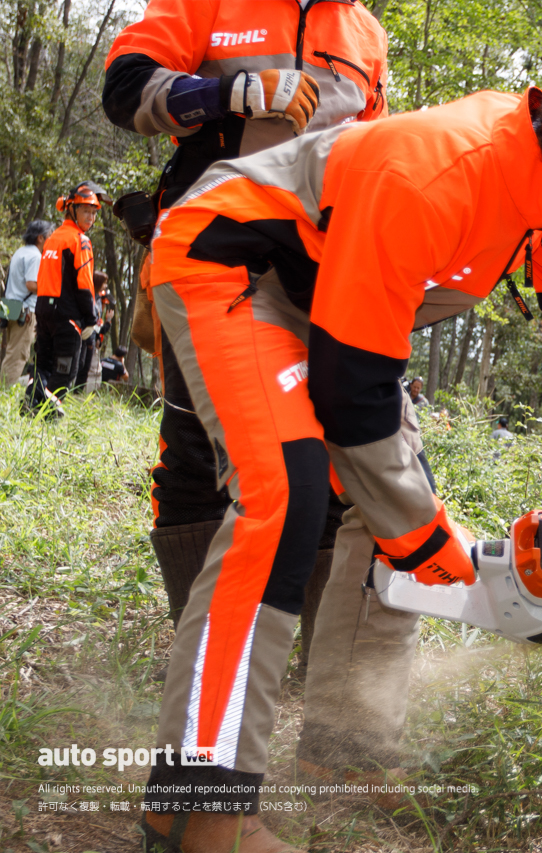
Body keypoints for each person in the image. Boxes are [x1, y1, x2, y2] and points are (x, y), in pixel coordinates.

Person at [136, 57, 542, 852]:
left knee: (393, 503)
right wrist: (422, 534)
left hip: (326, 295)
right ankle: (194, 808)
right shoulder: (440, 175)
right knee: (289, 496)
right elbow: (353, 397)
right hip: (232, 263)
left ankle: (347, 751)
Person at [103, 0, 390, 708]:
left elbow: (376, 152)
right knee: (196, 450)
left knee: (321, 457)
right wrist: (226, 92)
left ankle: (293, 650)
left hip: (316, 268)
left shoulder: (364, 32)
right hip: (203, 254)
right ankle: (199, 646)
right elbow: (124, 87)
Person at [25, 182, 104, 412]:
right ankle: (48, 417)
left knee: (42, 363)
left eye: (94, 212)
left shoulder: (53, 238)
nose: (91, 217)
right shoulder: (80, 241)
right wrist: (91, 319)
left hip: (44, 308)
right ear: (71, 209)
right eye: (86, 211)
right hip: (66, 313)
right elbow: (85, 285)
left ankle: (30, 407)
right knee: (65, 368)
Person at [1, 220, 54, 386]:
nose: (51, 240)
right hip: (25, 312)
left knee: (10, 351)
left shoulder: (20, 252)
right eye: (50, 236)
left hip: (11, 307)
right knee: (18, 355)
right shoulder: (36, 257)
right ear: (40, 238)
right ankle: (4, 394)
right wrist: (52, 287)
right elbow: (31, 284)